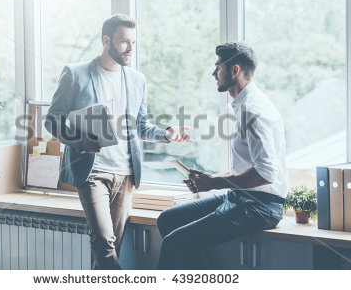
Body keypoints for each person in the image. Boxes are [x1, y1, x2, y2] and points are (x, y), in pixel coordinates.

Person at [45, 14, 191, 270]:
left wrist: (165, 133)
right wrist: (80, 141)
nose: (131, 48)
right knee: (103, 243)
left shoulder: (137, 79)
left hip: (125, 176)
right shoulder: (75, 73)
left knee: (110, 250)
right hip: (92, 172)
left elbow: (140, 126)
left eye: (133, 42)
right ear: (106, 41)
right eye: (124, 42)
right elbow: (52, 121)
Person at [156, 42, 289, 270]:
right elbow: (248, 167)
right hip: (242, 197)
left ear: (234, 71)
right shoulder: (243, 106)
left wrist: (214, 183)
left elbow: (267, 173)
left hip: (260, 207)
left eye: (218, 67)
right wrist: (210, 179)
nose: (213, 73)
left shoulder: (253, 110)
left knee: (174, 244)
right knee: (168, 220)